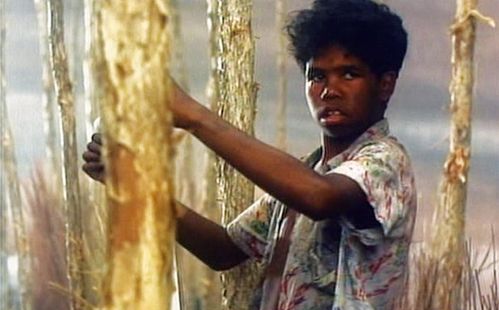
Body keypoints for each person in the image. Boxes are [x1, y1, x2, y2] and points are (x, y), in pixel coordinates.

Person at [82, 0, 417, 308]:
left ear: (385, 84)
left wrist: (192, 116)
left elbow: (320, 198)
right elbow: (224, 249)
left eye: (349, 73)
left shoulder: (385, 163)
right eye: (317, 76)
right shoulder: (308, 173)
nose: (329, 90)